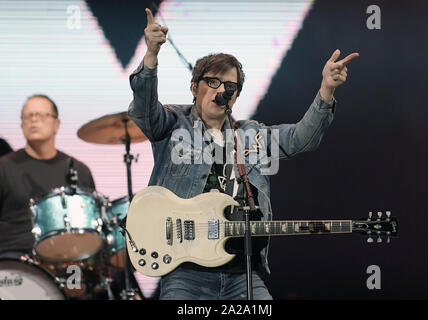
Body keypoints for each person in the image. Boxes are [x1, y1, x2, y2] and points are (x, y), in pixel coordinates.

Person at [128, 8, 359, 300]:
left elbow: (301, 138)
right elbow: (144, 111)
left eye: (230, 87)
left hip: (242, 273)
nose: (221, 90)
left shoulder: (251, 134)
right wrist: (151, 56)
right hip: (187, 274)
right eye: (212, 81)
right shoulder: (174, 123)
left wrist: (326, 91)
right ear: (194, 87)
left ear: (235, 96)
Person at [0, 94, 96, 259]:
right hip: (14, 258)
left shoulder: (79, 170)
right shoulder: (4, 167)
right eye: (28, 116)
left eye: (41, 115)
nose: (34, 120)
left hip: (67, 258)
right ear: (21, 124)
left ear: (56, 124)